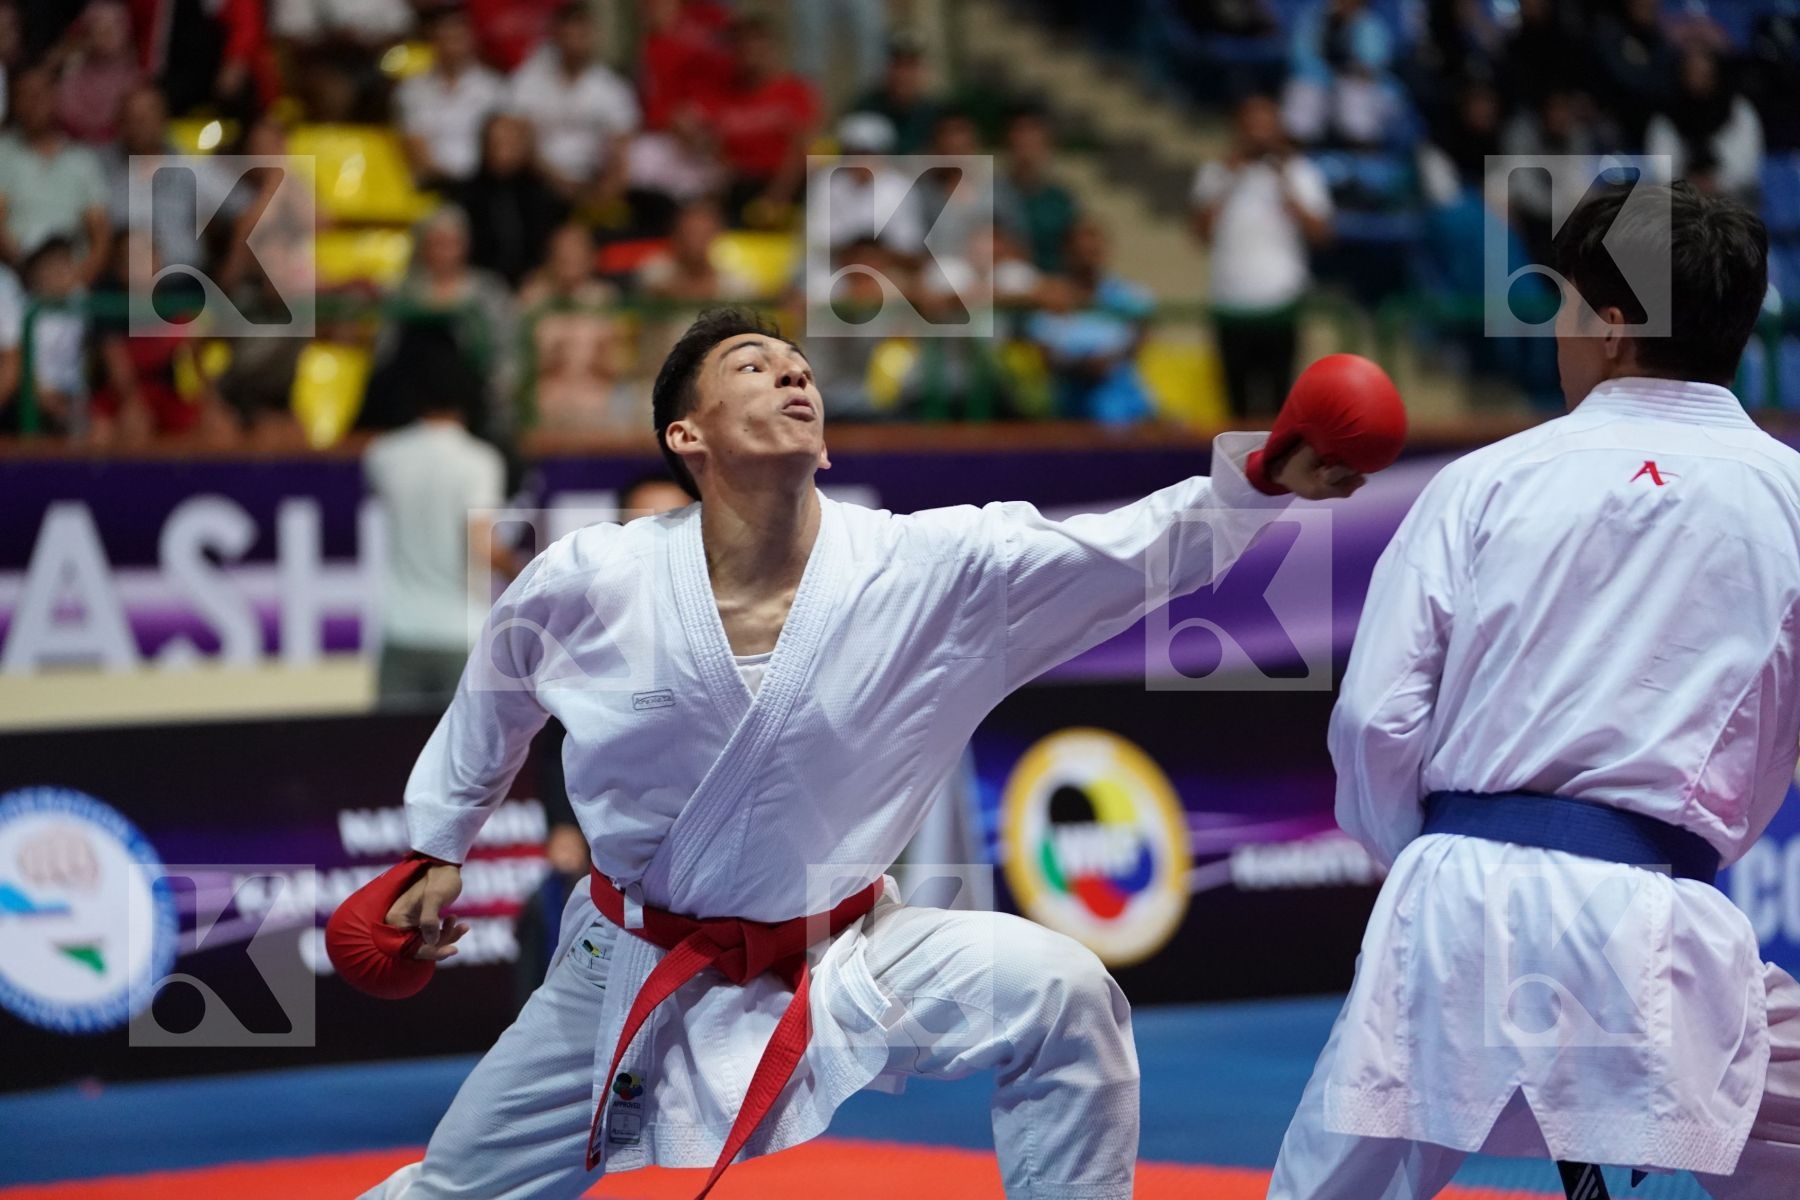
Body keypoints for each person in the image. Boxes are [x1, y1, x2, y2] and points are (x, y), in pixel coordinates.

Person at [347, 305, 1376, 1200]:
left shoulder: (929, 571)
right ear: (686, 435)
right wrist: (440, 842)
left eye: (799, 367)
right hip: (628, 963)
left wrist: (1258, 482)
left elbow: (1128, 550)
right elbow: (496, 689)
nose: (793, 374)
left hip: (843, 954)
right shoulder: (592, 577)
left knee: (1064, 992)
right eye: (753, 364)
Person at [1267, 184, 1800, 1198]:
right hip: (1663, 916)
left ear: (1614, 327)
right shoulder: (1789, 499)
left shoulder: (1485, 483)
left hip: (1456, 903)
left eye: (1562, 304)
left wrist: (1434, 862)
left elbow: (1375, 716)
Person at [363, 353, 517, 712]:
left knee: (391, 743)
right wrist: (526, 571)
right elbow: (481, 544)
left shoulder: (383, 455)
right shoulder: (478, 460)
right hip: (460, 633)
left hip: (400, 628)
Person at [1191, 93, 1333, 418]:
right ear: (1238, 129)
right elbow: (1200, 234)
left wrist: (1285, 184)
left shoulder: (1300, 172)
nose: (1259, 134)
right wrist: (1227, 180)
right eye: (1251, 126)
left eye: (1266, 126)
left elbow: (1321, 234)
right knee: (1236, 409)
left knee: (1282, 405)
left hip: (1280, 304)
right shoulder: (1215, 173)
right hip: (1231, 304)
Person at [505, 1, 639, 207]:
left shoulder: (612, 87)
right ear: (555, 36)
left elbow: (621, 148)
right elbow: (520, 138)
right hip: (538, 180)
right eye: (570, 34)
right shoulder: (529, 80)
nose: (576, 42)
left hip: (593, 180)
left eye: (582, 35)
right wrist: (557, 180)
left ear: (594, 35)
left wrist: (604, 192)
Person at [395, 5, 507, 187]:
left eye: (457, 38)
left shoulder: (494, 88)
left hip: (485, 186)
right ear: (432, 41)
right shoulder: (411, 90)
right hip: (432, 185)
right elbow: (416, 146)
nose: (451, 46)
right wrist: (450, 185)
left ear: (471, 39)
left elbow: (502, 149)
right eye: (444, 38)